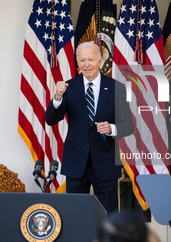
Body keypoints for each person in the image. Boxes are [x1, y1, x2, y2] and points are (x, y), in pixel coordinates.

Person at [45, 42, 134, 213]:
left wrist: (111, 129)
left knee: (108, 216)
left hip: (106, 163)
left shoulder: (117, 88)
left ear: (100, 60)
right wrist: (57, 96)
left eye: (91, 59)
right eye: (82, 60)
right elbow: (51, 120)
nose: (87, 64)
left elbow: (128, 125)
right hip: (76, 162)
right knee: (75, 215)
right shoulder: (68, 88)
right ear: (77, 62)